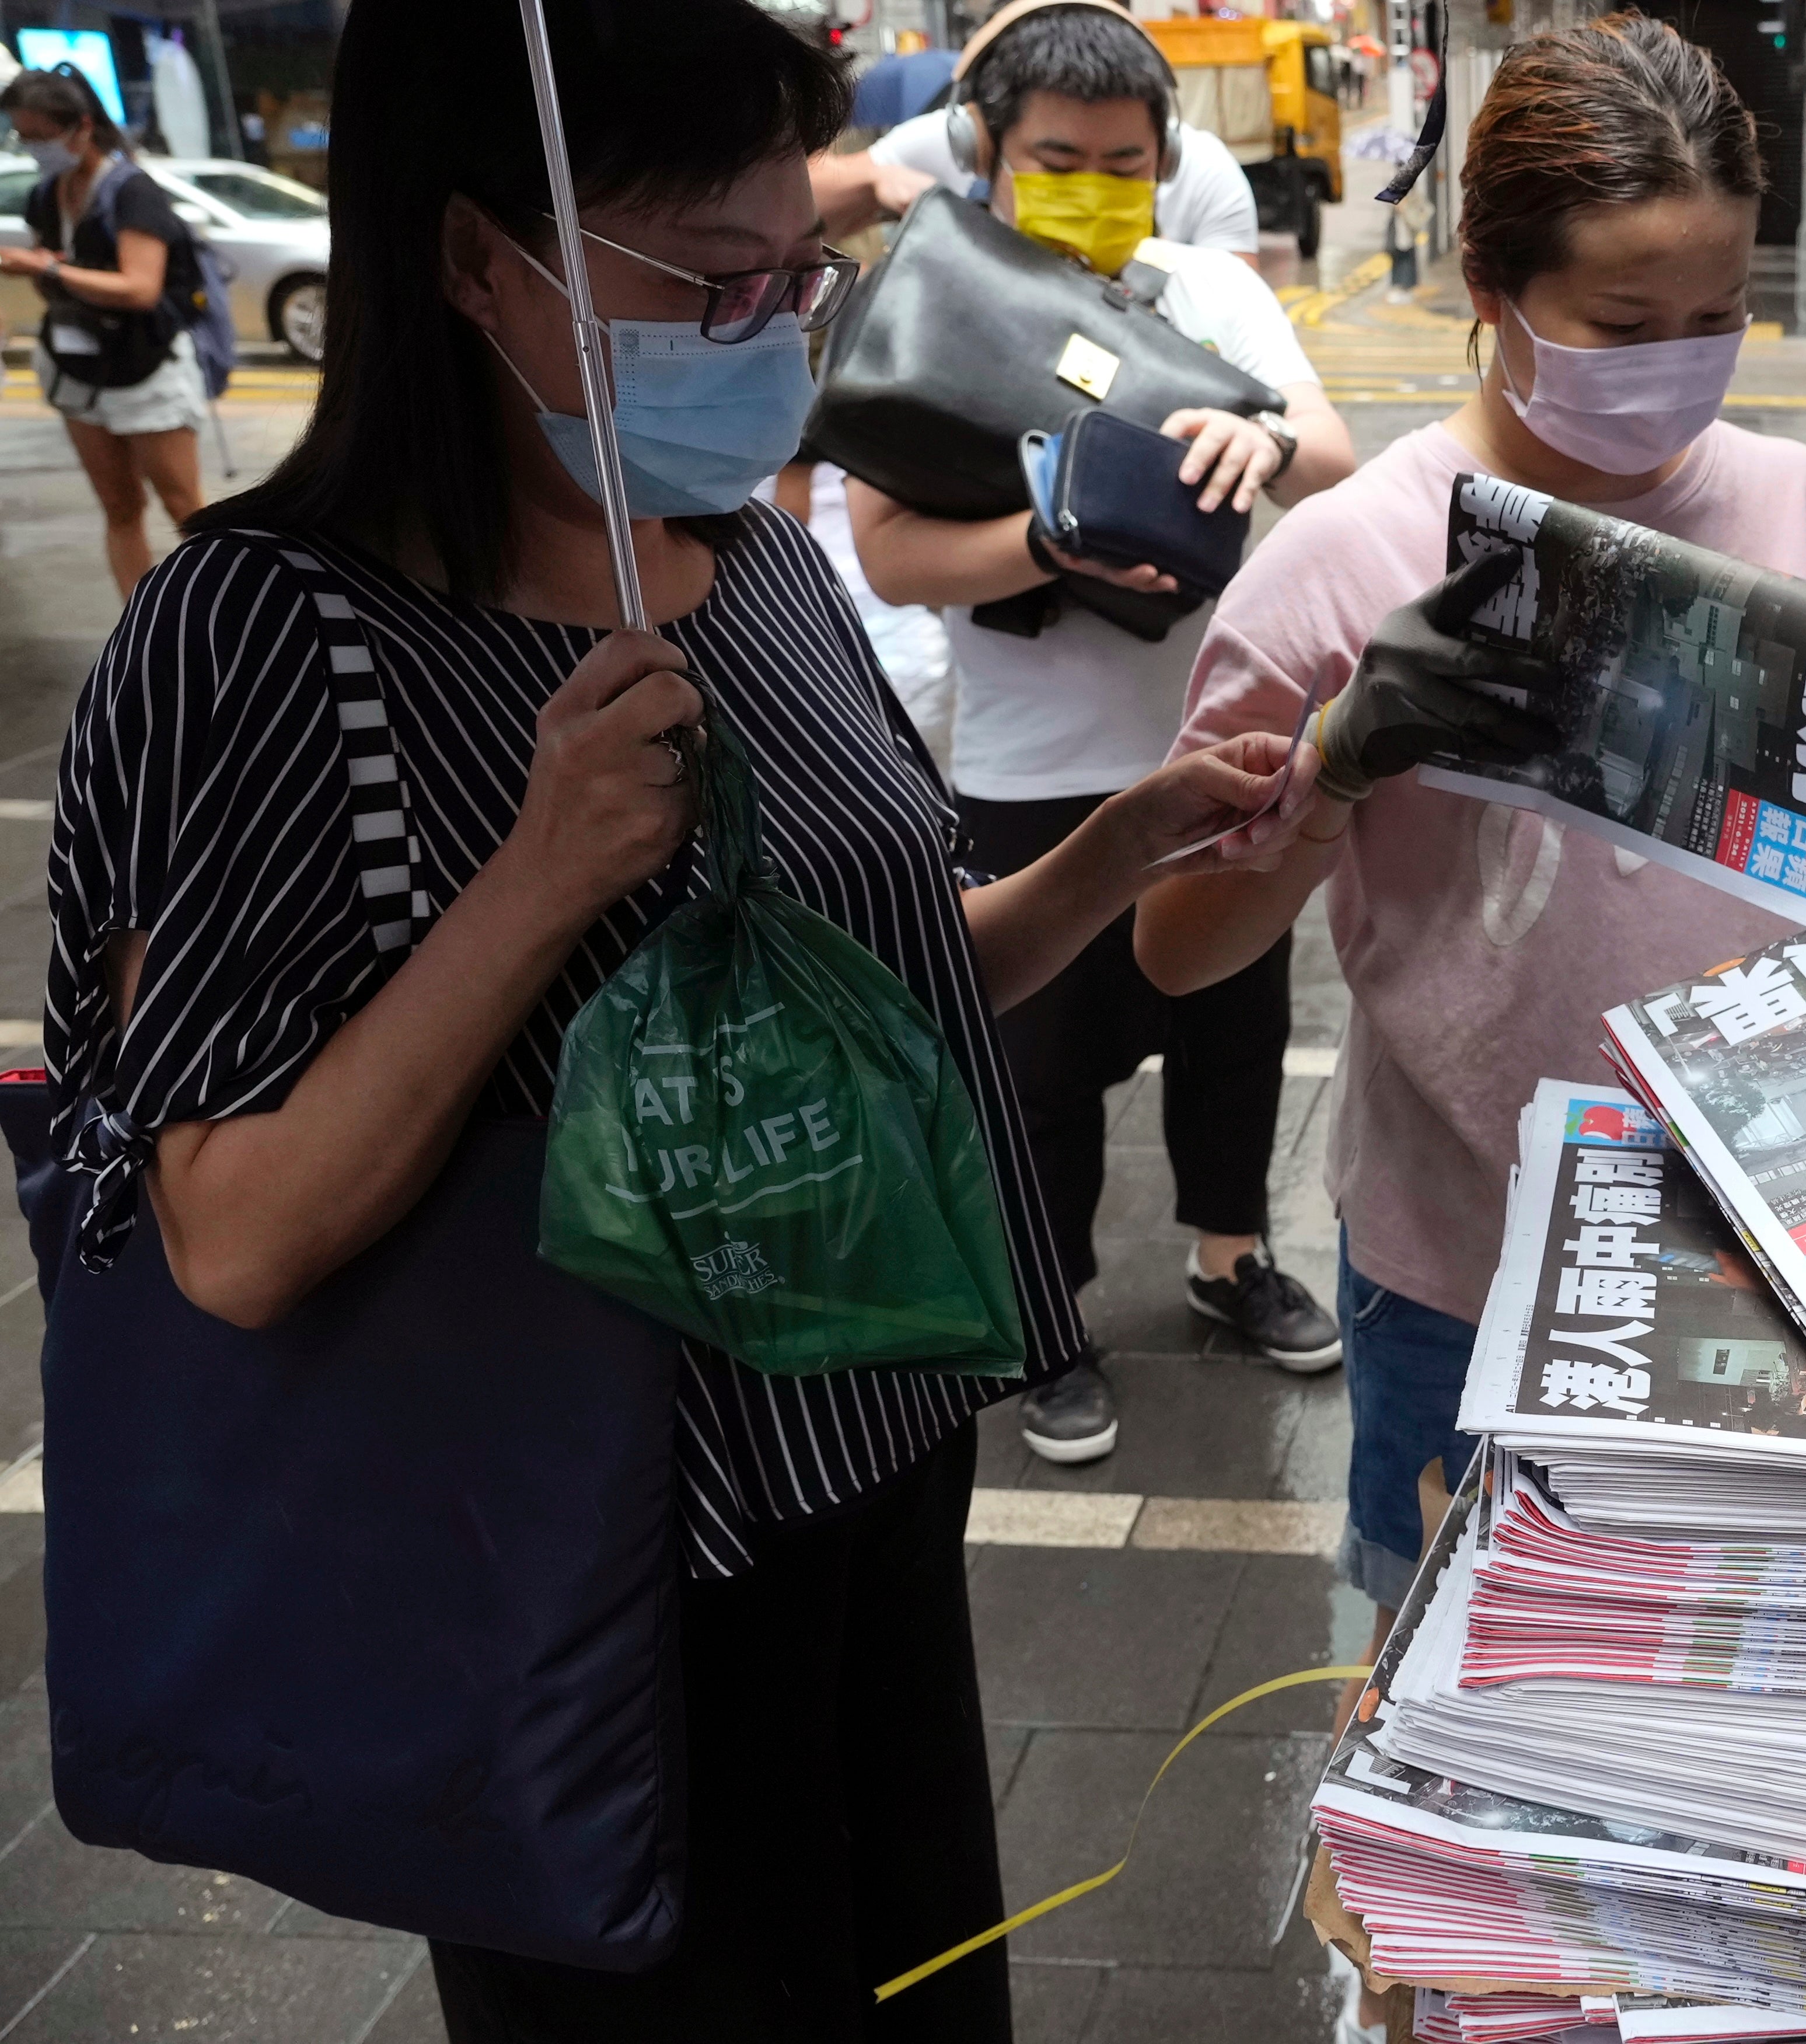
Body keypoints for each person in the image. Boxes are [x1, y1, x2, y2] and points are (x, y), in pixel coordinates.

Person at [48, 0, 1295, 2032]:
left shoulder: (751, 563)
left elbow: (885, 1008)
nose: (776, 331)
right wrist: (538, 879)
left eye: (798, 273)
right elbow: (237, 1230)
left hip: (874, 1476)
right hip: (584, 1577)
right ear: (473, 259)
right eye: (715, 286)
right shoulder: (271, 636)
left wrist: (1138, 839)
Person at [1129, 16, 1806, 1634]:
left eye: (1716, 317)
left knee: (1712, 1663)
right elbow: (1174, 944)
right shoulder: (1345, 558)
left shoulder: (1798, 507)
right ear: (1489, 291)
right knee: (1461, 1662)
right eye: (1623, 321)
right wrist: (1340, 768)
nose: (1678, 359)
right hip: (1467, 1256)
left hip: (1776, 1248)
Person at [850, 0, 1357, 1466]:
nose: (1093, 182)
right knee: (1042, 1071)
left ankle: (1226, 1260)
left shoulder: (1201, 286)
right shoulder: (933, 291)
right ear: (988, 155)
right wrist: (1049, 544)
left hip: (1214, 744)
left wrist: (1264, 441)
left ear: (1165, 160)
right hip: (1027, 769)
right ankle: (1049, 1315)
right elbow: (890, 556)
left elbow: (1329, 459)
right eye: (1058, 155)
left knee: (1232, 1031)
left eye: (1124, 160)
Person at [0, 65, 209, 601]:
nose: (33, 148)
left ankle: (219, 624)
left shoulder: (131, 190)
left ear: (81, 128)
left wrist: (49, 269)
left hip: (146, 367)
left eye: (42, 137)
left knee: (186, 508)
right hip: (79, 369)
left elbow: (141, 288)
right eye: (23, 136)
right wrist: (55, 272)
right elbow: (60, 284)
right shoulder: (48, 194)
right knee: (120, 508)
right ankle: (141, 633)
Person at [854, 0, 1264, 264]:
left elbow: (1241, 327)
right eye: (1058, 167)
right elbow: (810, 195)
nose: (1090, 194)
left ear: (1165, 155)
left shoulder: (1206, 173)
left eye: (1122, 171)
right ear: (979, 147)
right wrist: (877, 180)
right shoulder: (945, 143)